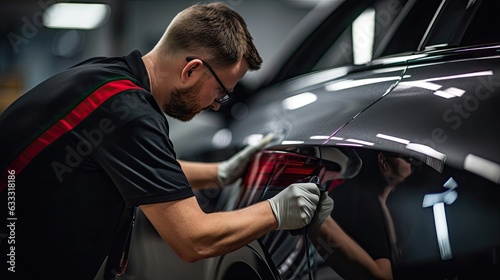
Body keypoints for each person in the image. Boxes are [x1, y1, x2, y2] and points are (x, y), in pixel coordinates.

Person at [0, 3, 333, 279]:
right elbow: (193, 239)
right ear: (191, 70)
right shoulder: (131, 114)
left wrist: (219, 173)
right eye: (220, 92)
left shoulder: (109, 78)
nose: (217, 104)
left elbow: (138, 165)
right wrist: (275, 211)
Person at [309, 150, 415, 280]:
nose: (411, 165)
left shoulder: (383, 204)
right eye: (407, 158)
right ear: (383, 161)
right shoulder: (362, 200)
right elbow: (382, 276)